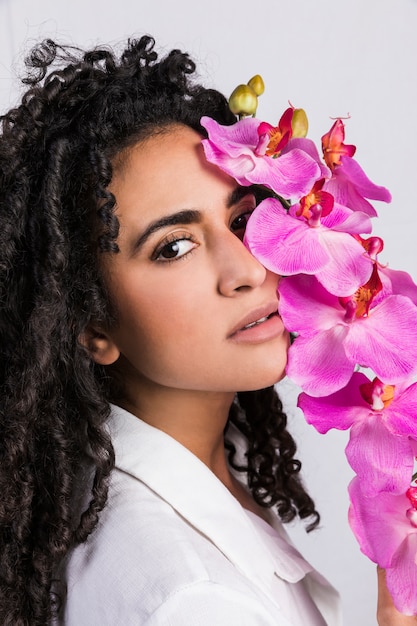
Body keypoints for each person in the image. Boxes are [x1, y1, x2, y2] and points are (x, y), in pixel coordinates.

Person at [0, 35, 413, 626]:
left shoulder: (204, 463)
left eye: (243, 219)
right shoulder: (190, 598)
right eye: (174, 247)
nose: (248, 269)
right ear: (91, 325)